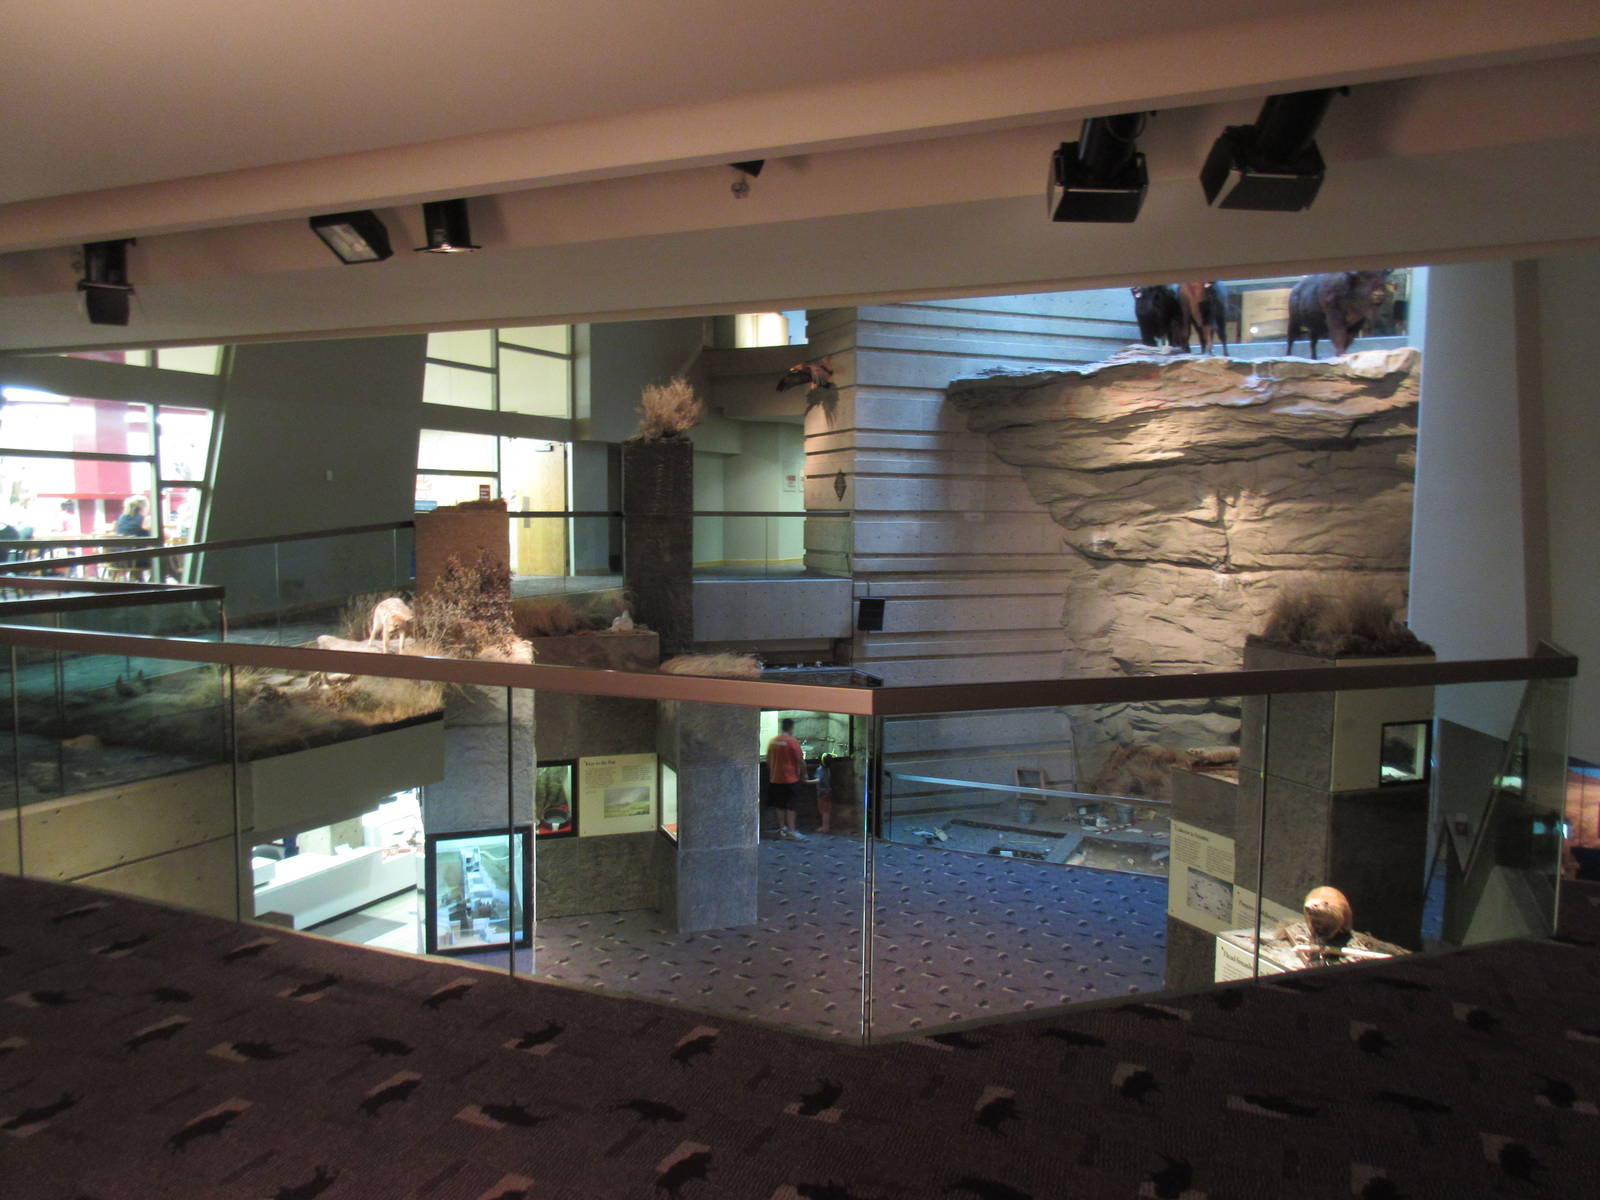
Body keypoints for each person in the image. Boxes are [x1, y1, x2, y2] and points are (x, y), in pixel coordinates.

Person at [765, 717, 806, 840]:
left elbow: (768, 759)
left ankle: (782, 828)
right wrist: (804, 774)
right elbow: (800, 761)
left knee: (780, 805)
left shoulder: (773, 741)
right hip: (790, 779)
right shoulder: (792, 742)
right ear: (791, 728)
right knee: (791, 805)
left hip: (775, 779)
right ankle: (792, 831)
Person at [811, 753, 836, 834]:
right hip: (828, 792)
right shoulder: (828, 769)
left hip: (822, 793)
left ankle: (825, 828)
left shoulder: (820, 769)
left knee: (824, 811)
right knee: (826, 811)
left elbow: (818, 780)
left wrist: (806, 782)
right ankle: (826, 826)